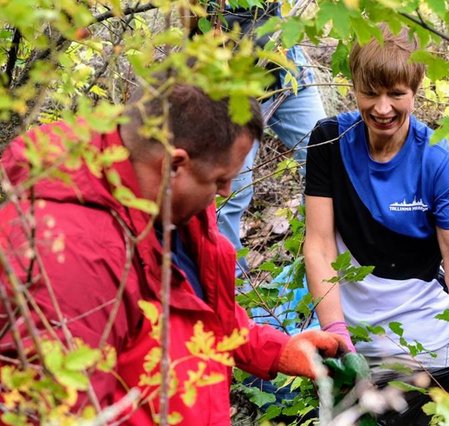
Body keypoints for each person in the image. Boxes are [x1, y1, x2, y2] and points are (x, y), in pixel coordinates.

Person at [0, 82, 347, 425]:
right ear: (174, 164)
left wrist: (274, 349)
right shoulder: (74, 256)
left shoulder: (171, 203)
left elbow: (199, 312)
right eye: (219, 180)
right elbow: (54, 412)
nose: (226, 191)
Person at [303, 25, 449, 399]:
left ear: (416, 88)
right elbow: (319, 246)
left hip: (419, 339)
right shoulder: (329, 140)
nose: (382, 108)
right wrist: (336, 332)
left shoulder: (439, 159)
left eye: (396, 94)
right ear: (353, 87)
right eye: (369, 93)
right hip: (347, 329)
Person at [195, 2, 327, 276]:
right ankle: (232, 293)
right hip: (229, 87)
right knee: (230, 195)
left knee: (327, 161)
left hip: (287, 76)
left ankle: (315, 273)